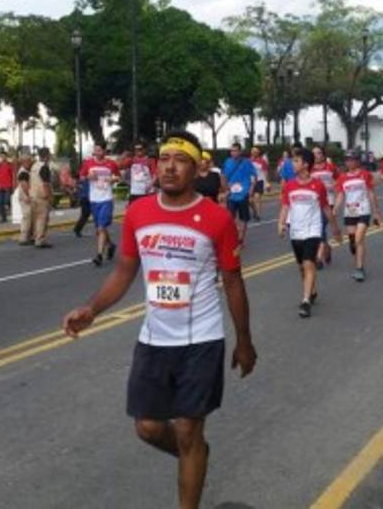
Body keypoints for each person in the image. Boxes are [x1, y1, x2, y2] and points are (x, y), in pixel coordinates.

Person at [62, 131, 256, 509]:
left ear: (197, 167)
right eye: (163, 157)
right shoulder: (139, 212)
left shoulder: (216, 219)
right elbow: (124, 270)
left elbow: (233, 281)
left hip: (201, 338)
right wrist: (92, 309)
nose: (169, 166)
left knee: (186, 429)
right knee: (148, 427)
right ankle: (194, 453)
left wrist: (244, 341)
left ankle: (190, 461)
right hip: (155, 339)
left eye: (179, 159)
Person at [279, 147, 340, 317]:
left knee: (308, 263)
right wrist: (281, 223)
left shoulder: (317, 185)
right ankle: (311, 290)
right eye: (293, 160)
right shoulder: (290, 186)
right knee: (301, 266)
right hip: (296, 231)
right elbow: (285, 206)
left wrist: (334, 228)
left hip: (313, 229)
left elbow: (326, 208)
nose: (293, 163)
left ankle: (305, 301)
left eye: (296, 161)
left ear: (306, 165)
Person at [337, 149, 381, 281]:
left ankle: (359, 268)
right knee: (352, 242)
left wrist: (376, 212)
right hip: (349, 212)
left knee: (358, 239)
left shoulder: (365, 174)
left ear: (357, 161)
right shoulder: (342, 177)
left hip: (363, 210)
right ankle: (357, 262)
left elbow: (371, 193)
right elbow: (340, 194)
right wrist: (335, 209)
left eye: (351, 160)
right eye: (347, 160)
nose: (349, 162)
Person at [79, 143, 121, 266]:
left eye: (99, 150)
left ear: (104, 151)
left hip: (106, 199)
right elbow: (81, 177)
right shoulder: (88, 163)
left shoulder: (111, 164)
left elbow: (118, 176)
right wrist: (88, 176)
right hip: (94, 199)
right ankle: (111, 245)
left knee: (101, 228)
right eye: (95, 150)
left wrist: (113, 179)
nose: (96, 152)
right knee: (100, 229)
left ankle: (99, 256)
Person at [222, 143, 258, 247]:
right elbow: (223, 176)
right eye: (232, 151)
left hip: (243, 194)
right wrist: (226, 189)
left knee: (244, 218)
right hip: (232, 195)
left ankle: (241, 238)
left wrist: (251, 189)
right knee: (230, 218)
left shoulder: (247, 162)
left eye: (235, 150)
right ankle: (234, 236)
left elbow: (253, 176)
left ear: (240, 151)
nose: (233, 153)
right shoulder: (227, 162)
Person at [309, 146, 338, 267]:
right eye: (314, 154)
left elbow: (340, 181)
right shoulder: (309, 169)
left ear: (323, 155)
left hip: (328, 202)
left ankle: (319, 257)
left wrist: (332, 187)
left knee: (320, 226)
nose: (316, 156)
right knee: (318, 229)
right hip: (313, 203)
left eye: (319, 153)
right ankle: (327, 248)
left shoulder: (330, 167)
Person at [31, 148, 54, 248]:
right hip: (42, 196)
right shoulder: (44, 167)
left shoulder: (34, 166)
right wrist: (49, 196)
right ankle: (40, 239)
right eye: (49, 154)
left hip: (33, 195)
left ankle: (36, 236)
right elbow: (46, 183)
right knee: (42, 219)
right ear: (47, 155)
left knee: (36, 218)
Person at [16, 154, 35, 246]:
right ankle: (23, 237)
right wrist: (29, 195)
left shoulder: (26, 171)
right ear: (24, 162)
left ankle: (30, 236)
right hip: (25, 197)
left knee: (30, 217)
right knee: (27, 217)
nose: (31, 162)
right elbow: (24, 185)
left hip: (26, 196)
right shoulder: (23, 172)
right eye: (29, 161)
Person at [248, 146, 269, 221]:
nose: (254, 152)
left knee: (257, 198)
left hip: (259, 181)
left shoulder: (262, 161)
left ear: (258, 153)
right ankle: (254, 211)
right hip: (250, 182)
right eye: (253, 151)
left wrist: (267, 182)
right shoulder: (248, 161)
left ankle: (258, 215)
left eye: (256, 151)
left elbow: (265, 172)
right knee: (250, 200)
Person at [0, 154, 15, 223]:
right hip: (0, 186)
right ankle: (3, 217)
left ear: (6, 157)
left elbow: (13, 174)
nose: (2, 158)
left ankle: (13, 214)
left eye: (3, 157)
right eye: (1, 157)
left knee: (7, 201)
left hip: (8, 186)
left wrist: (13, 185)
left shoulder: (9, 165)